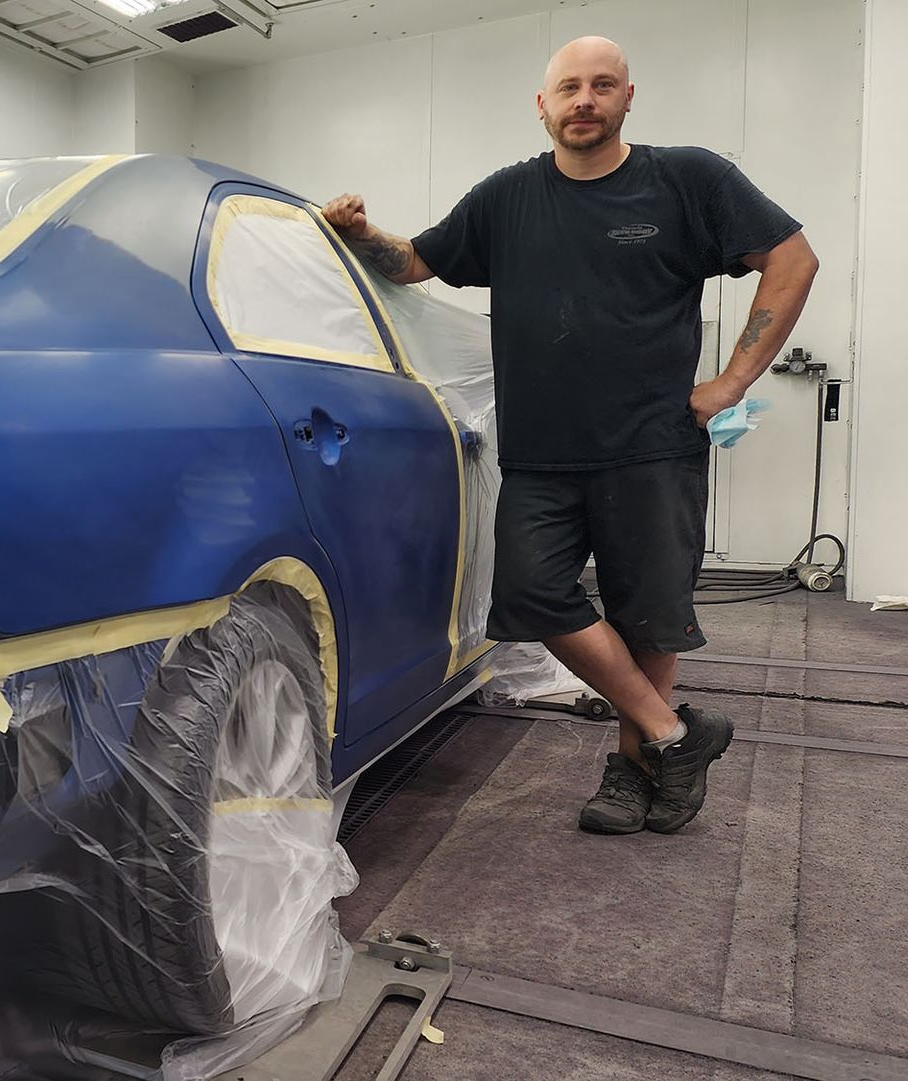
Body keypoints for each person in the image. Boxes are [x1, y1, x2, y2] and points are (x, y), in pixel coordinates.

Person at [321, 35, 818, 835]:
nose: (584, 99)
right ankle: (674, 736)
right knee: (527, 594)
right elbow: (415, 263)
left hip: (654, 443)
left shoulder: (687, 177)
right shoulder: (506, 197)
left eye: (602, 85)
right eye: (568, 88)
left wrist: (731, 382)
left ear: (628, 97)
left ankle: (632, 773)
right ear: (542, 105)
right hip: (541, 451)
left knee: (647, 615)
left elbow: (792, 259)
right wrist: (357, 231)